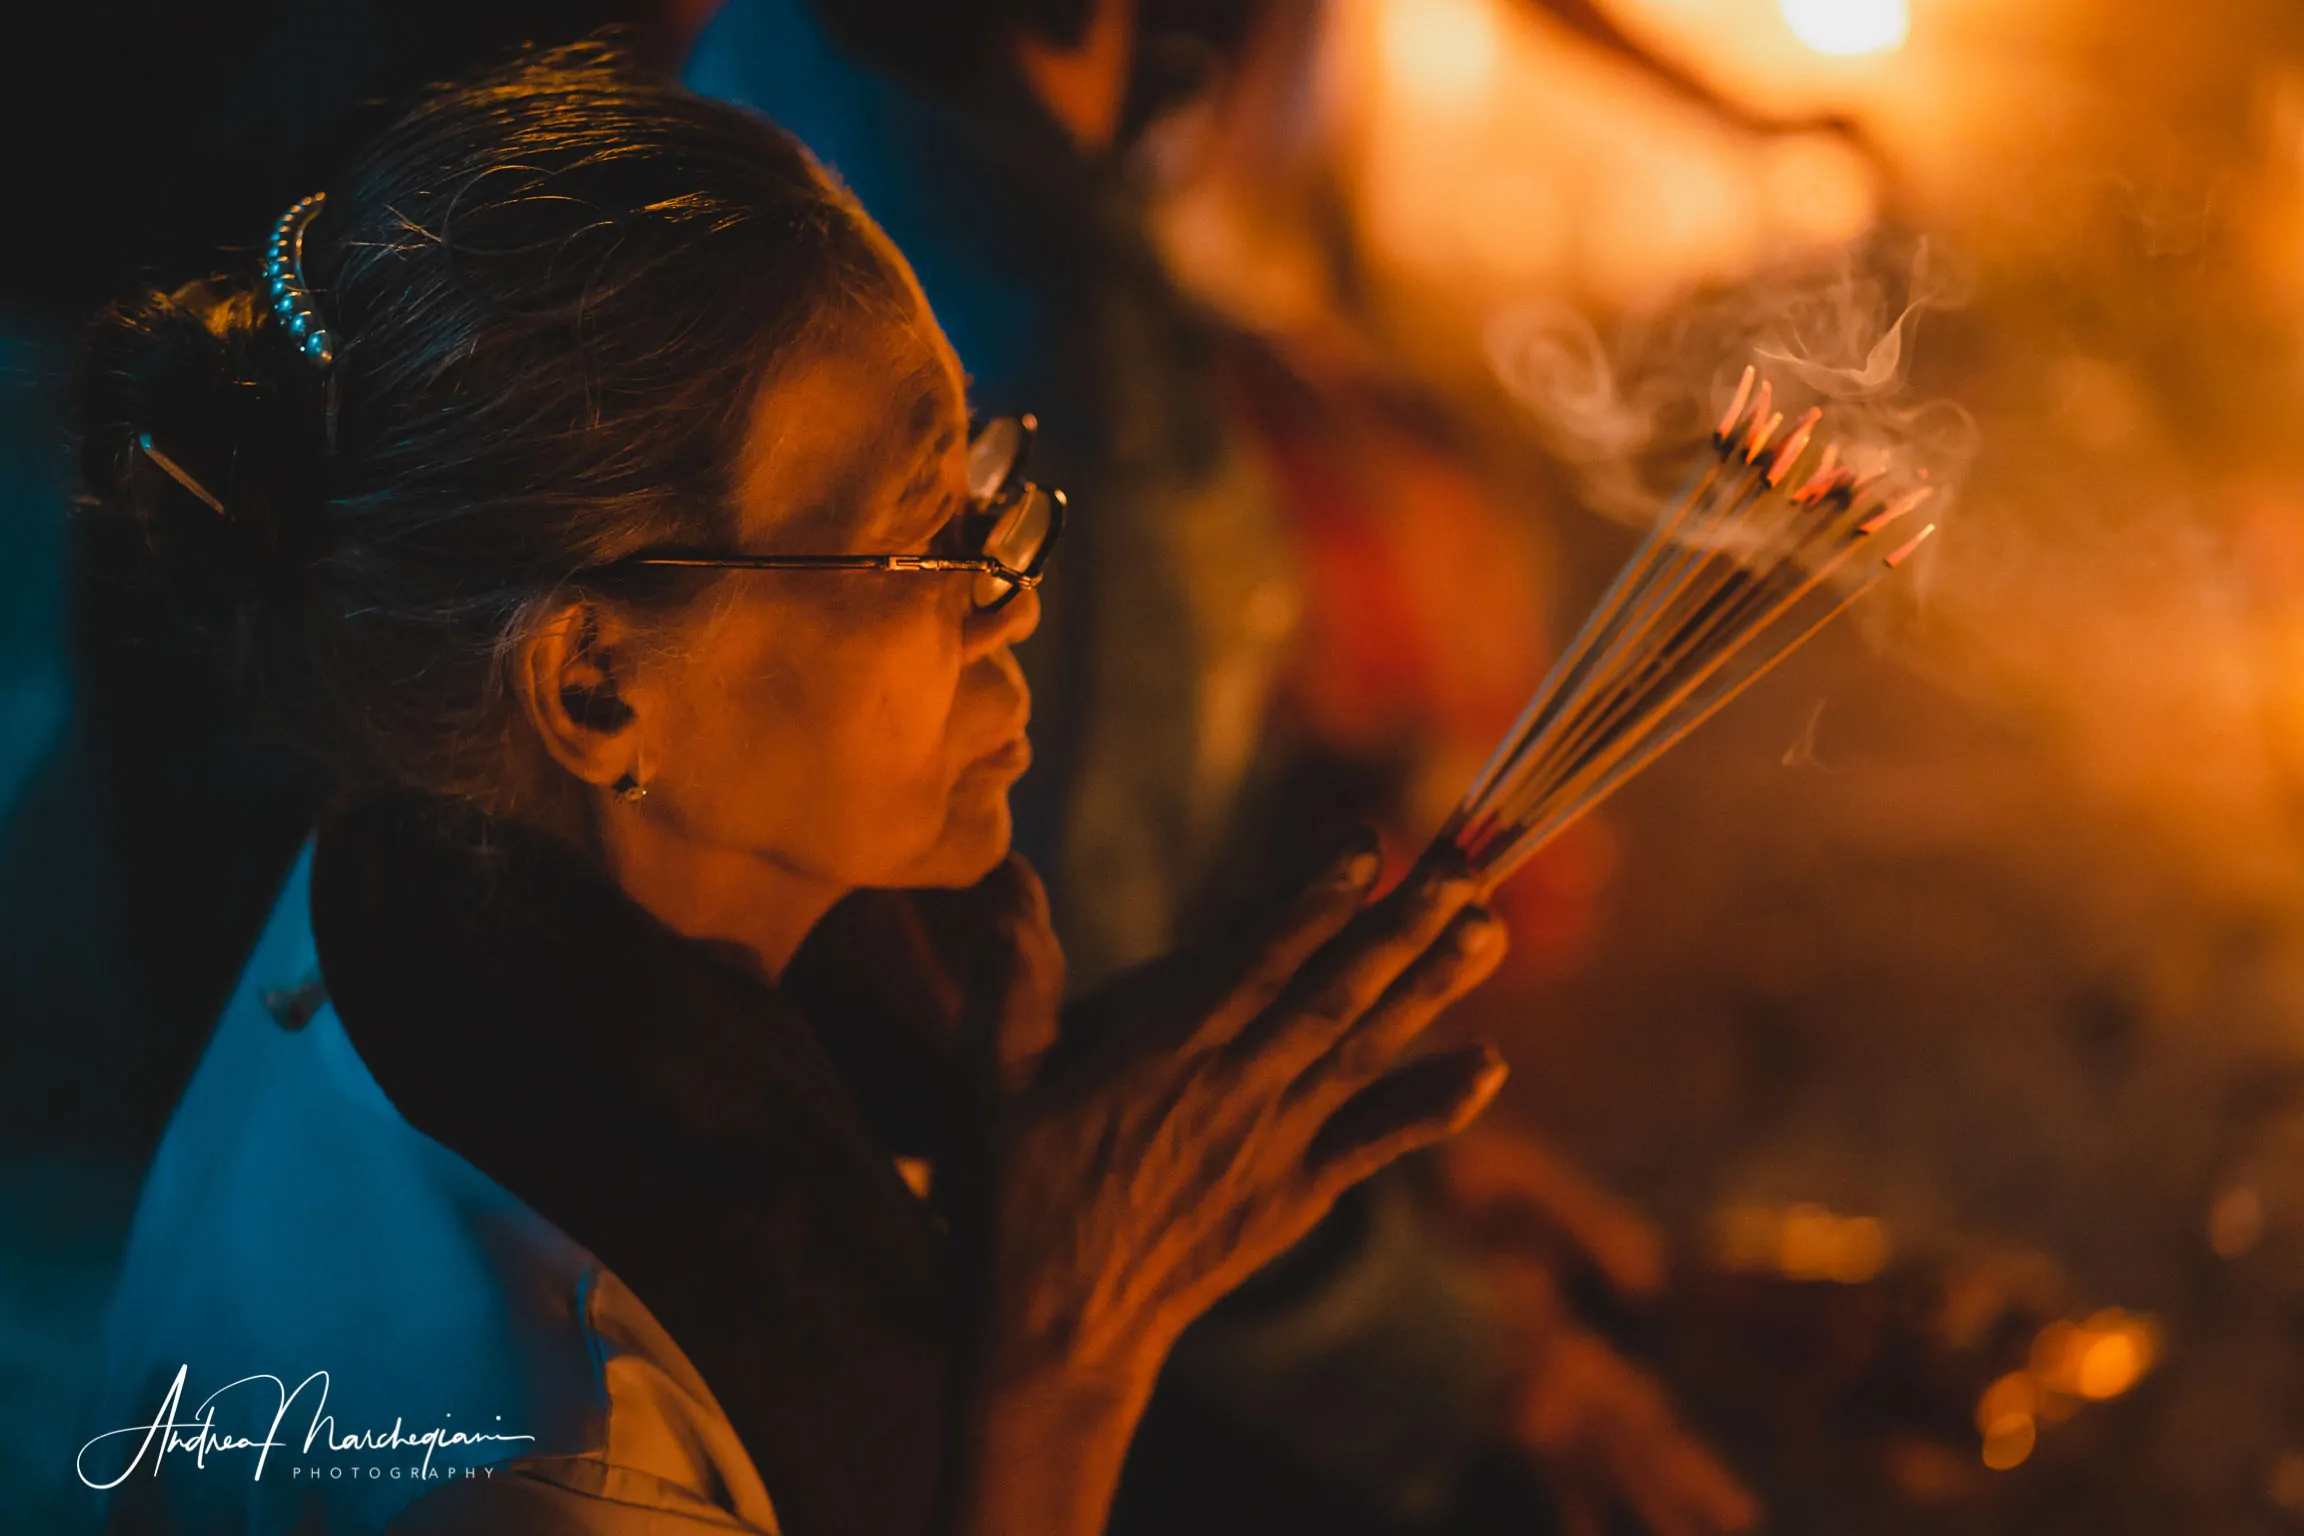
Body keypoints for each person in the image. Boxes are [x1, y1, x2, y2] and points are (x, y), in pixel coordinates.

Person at [75, 42, 1514, 1536]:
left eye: (979, 483)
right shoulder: (540, 1457)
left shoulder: (450, 881)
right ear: (595, 687)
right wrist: (1068, 1368)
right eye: (920, 535)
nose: (1012, 595)